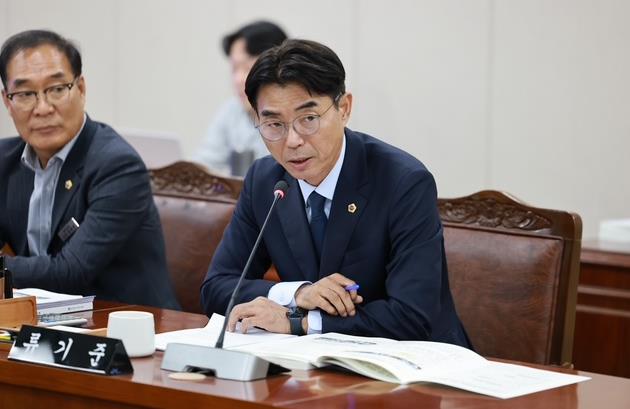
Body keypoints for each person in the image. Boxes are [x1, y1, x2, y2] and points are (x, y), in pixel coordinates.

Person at [200, 39, 471, 346]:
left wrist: (299, 323)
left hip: (416, 362)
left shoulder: (403, 182)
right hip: (309, 364)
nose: (292, 141)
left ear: (344, 109)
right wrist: (298, 293)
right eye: (274, 124)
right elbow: (217, 288)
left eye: (308, 119)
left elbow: (411, 317)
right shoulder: (265, 181)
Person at [0, 30, 179, 309]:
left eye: (57, 89)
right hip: (43, 320)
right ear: (7, 101)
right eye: (25, 94)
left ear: (81, 89)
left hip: (126, 324)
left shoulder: (117, 166)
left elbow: (70, 272)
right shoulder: (5, 161)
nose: (43, 108)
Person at [195, 21, 287, 176]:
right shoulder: (232, 110)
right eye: (234, 68)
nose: (238, 79)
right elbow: (203, 164)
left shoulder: (294, 114)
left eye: (247, 68)